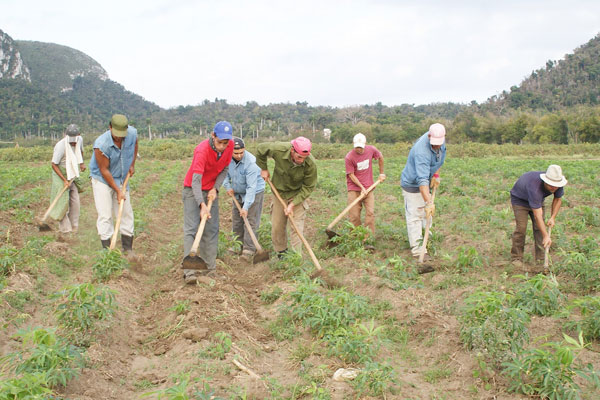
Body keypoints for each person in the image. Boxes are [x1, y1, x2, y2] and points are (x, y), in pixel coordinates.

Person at [182, 121, 234, 283]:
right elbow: (195, 182)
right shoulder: (202, 151)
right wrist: (201, 205)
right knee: (192, 229)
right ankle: (189, 272)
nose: (222, 147)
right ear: (213, 136)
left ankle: (209, 268)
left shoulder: (230, 146)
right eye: (219, 142)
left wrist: (215, 188)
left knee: (211, 230)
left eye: (225, 143)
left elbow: (225, 168)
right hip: (192, 189)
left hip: (210, 189)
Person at [256, 136, 317, 257]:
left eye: (304, 158)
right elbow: (260, 149)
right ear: (292, 151)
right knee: (277, 226)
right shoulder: (279, 149)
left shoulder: (310, 164)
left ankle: (296, 257)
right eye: (299, 157)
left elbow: (308, 187)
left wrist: (293, 204)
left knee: (296, 227)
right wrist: (263, 168)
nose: (301, 160)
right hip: (280, 192)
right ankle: (281, 253)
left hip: (297, 194)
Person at [89, 114, 138, 253]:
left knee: (126, 212)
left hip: (122, 177)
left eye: (122, 135)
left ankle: (127, 249)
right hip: (102, 179)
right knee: (105, 214)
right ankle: (107, 251)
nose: (119, 138)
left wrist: (132, 164)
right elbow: (104, 170)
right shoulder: (101, 145)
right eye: (116, 135)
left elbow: (135, 145)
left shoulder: (132, 134)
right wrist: (118, 191)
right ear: (110, 127)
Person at [400, 123, 446, 260]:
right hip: (413, 184)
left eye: (439, 143)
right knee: (415, 216)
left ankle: (425, 238)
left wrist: (436, 175)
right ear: (429, 136)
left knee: (427, 215)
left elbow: (439, 161)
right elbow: (422, 182)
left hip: (426, 182)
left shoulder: (441, 143)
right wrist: (428, 202)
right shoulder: (422, 151)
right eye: (434, 143)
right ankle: (418, 250)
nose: (436, 146)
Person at [509, 164, 567, 267]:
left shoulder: (558, 183)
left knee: (539, 228)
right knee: (521, 228)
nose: (553, 187)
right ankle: (516, 257)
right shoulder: (534, 187)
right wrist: (546, 236)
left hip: (537, 201)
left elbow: (558, 199)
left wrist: (553, 217)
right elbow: (537, 215)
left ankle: (541, 258)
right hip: (520, 200)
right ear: (545, 181)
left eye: (556, 185)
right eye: (551, 185)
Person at [223, 137, 265, 261]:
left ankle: (249, 249)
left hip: (254, 192)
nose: (239, 155)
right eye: (236, 153)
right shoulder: (226, 159)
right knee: (236, 219)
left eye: (242, 152)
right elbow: (223, 174)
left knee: (250, 220)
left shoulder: (252, 163)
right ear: (230, 151)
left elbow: (251, 187)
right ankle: (237, 245)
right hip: (237, 191)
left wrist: (245, 207)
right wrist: (228, 187)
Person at [344, 133, 386, 239]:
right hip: (354, 189)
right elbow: (351, 175)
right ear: (353, 145)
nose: (359, 149)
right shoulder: (349, 157)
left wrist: (381, 173)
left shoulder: (371, 150)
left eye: (361, 147)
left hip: (369, 188)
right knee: (354, 215)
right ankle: (355, 237)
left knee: (370, 213)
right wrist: (361, 188)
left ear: (365, 144)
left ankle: (368, 238)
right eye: (357, 147)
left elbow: (380, 157)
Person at [49, 124, 86, 235]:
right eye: (71, 141)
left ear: (78, 135)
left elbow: (81, 151)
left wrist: (81, 163)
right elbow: (54, 164)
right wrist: (64, 180)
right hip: (60, 173)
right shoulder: (61, 146)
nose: (73, 143)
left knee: (75, 201)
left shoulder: (80, 140)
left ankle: (74, 227)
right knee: (62, 201)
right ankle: (65, 230)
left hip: (72, 172)